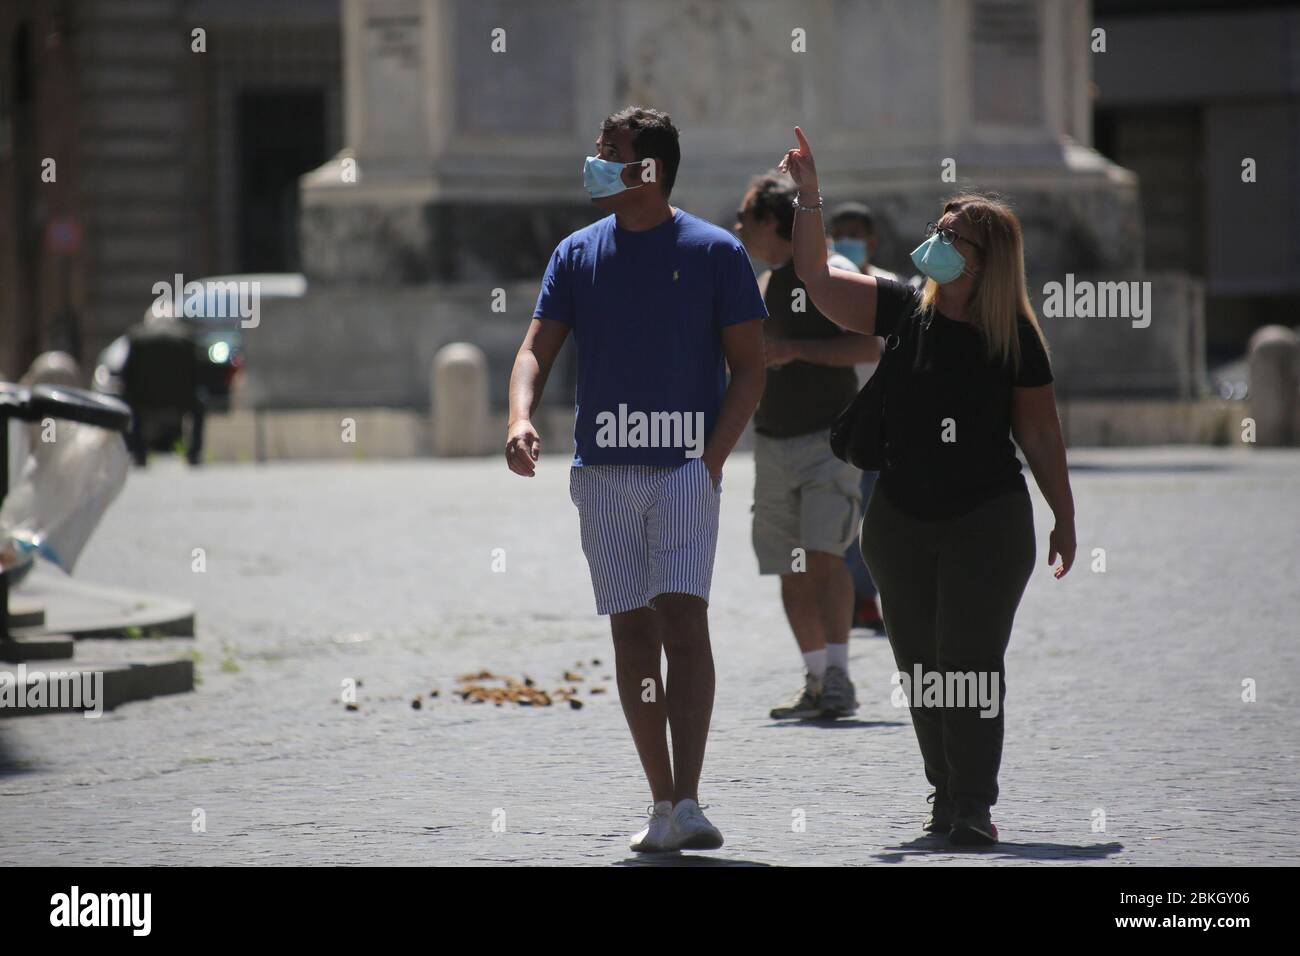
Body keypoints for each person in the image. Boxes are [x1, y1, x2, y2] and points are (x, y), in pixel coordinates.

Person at [779, 127, 1077, 846]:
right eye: (936, 229)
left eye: (953, 237)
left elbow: (1038, 434)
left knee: (969, 664)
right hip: (899, 522)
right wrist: (810, 196)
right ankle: (945, 794)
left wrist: (1064, 517)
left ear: (985, 261)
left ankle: (973, 801)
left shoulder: (1014, 336)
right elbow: (818, 280)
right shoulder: (900, 308)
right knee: (921, 670)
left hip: (988, 518)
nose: (935, 242)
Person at [506, 107, 767, 853]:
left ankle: (691, 798)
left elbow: (750, 367)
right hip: (601, 473)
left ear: (647, 168)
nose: (594, 162)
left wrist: (712, 460)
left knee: (685, 623)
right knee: (631, 633)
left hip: (684, 470)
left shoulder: (716, 252)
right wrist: (520, 417)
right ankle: (659, 800)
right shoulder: (576, 253)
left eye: (610, 152)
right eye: (597, 149)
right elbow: (534, 351)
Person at [733, 171, 880, 720]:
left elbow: (870, 347)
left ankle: (839, 675)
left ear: (772, 223)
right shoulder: (764, 282)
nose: (737, 227)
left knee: (824, 556)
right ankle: (816, 679)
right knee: (788, 565)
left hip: (827, 442)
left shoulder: (828, 273)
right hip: (771, 445)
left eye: (745, 218)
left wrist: (797, 349)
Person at [827, 202, 898, 634]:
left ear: (872, 239)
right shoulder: (828, 286)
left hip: (880, 422)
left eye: (856, 232)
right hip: (836, 418)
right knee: (839, 520)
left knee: (872, 515)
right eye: (840, 233)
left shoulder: (890, 286)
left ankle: (867, 598)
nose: (848, 241)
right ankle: (853, 599)